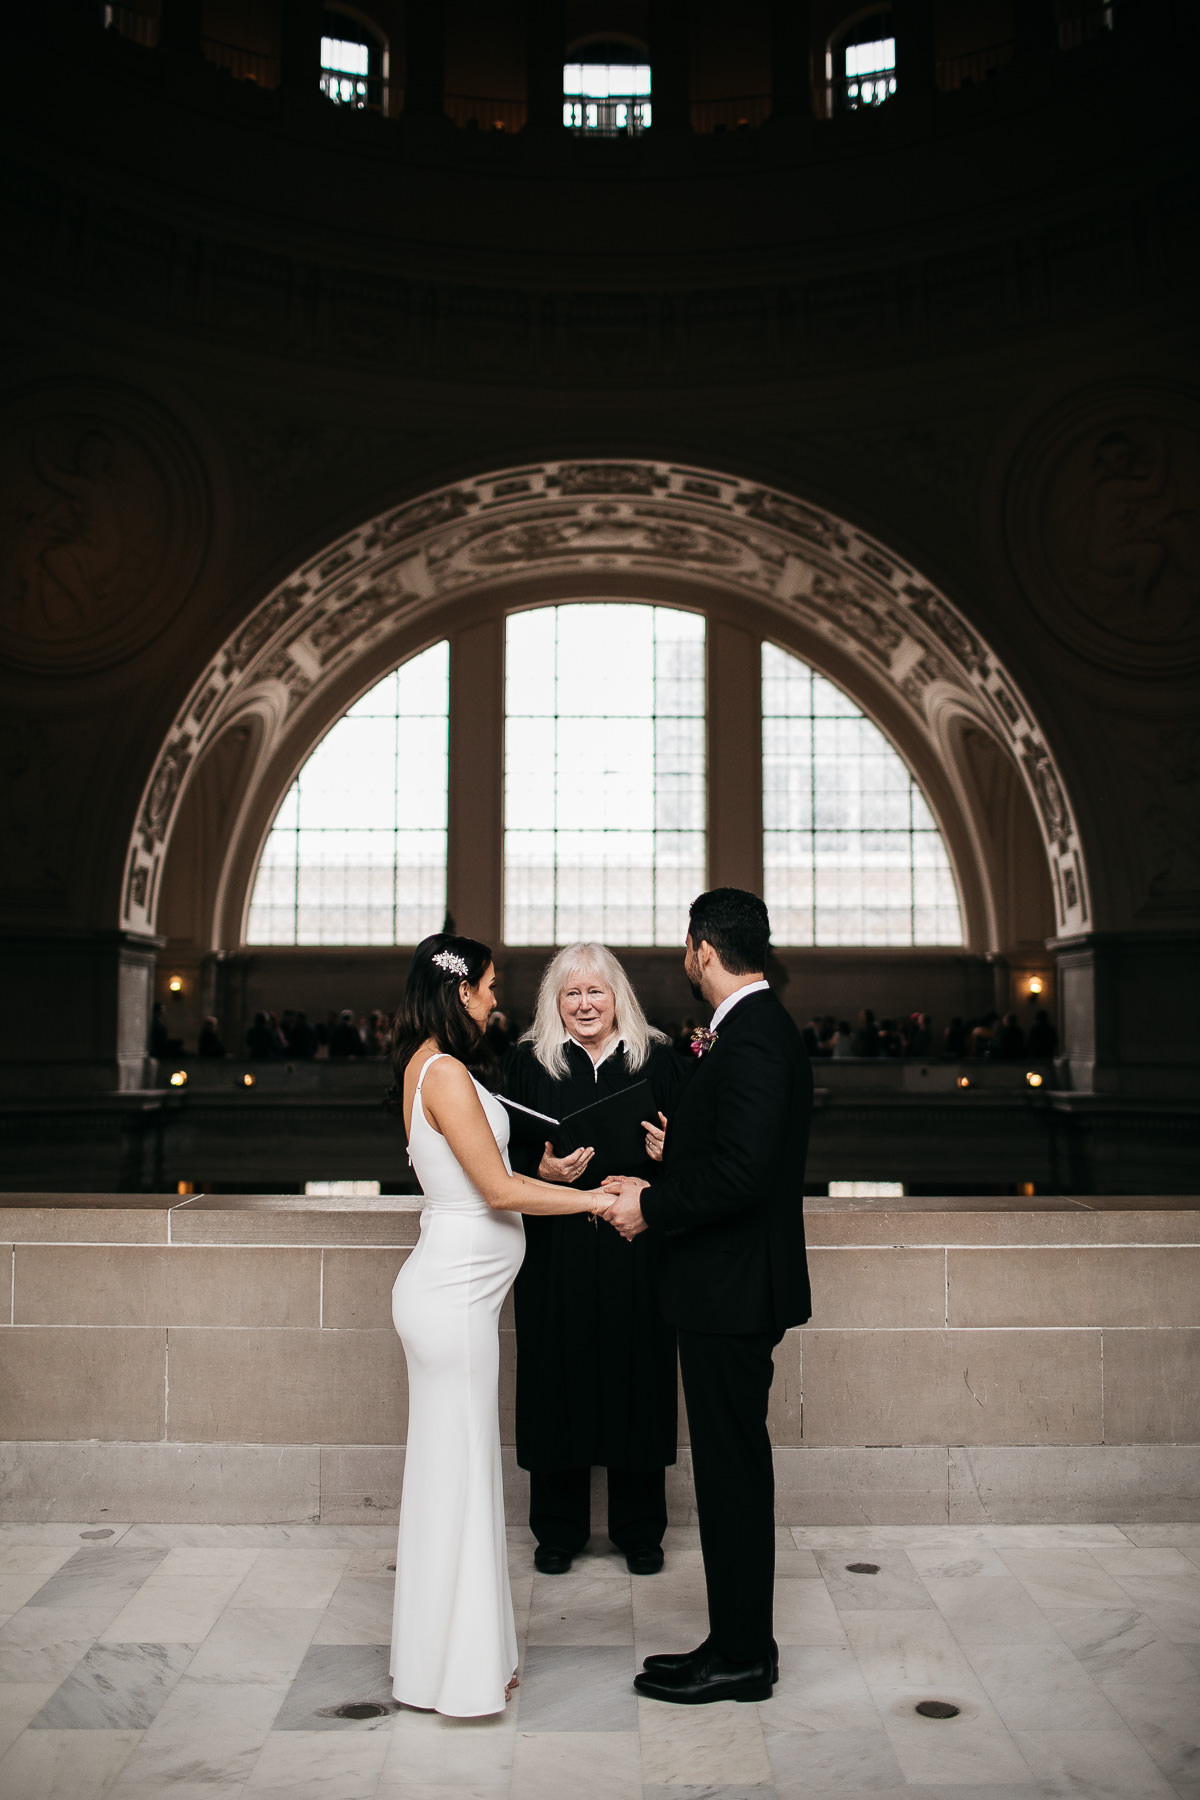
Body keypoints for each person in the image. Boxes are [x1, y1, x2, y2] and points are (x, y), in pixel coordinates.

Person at [388, 933, 610, 1719]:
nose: (493, 1000)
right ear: (458, 992)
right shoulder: (445, 1073)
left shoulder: (430, 1064)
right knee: (461, 1482)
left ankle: (440, 1665)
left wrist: (541, 1173)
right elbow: (494, 1192)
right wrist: (595, 1200)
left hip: (455, 1296)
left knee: (451, 1481)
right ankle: (461, 1674)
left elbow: (478, 1173)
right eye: (486, 986)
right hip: (451, 1301)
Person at [603, 888, 813, 1707]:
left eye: (686, 948)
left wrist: (652, 1205)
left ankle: (741, 1659)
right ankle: (738, 1645)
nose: (685, 959)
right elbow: (734, 1150)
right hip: (728, 1288)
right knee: (731, 1472)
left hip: (732, 1292)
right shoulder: (751, 1028)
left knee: (731, 1477)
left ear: (702, 949)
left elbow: (746, 1174)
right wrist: (676, 1152)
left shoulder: (753, 1035)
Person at [504, 943, 685, 1576]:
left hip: (637, 1241)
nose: (585, 1004)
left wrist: (669, 1154)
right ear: (554, 1002)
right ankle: (558, 1530)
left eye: (596, 992)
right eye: (572, 993)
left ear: (617, 997)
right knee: (558, 1370)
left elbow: (699, 1148)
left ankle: (640, 1529)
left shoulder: (657, 1057)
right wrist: (542, 1171)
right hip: (558, 1246)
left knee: (641, 1372)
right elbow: (497, 1157)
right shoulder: (528, 1061)